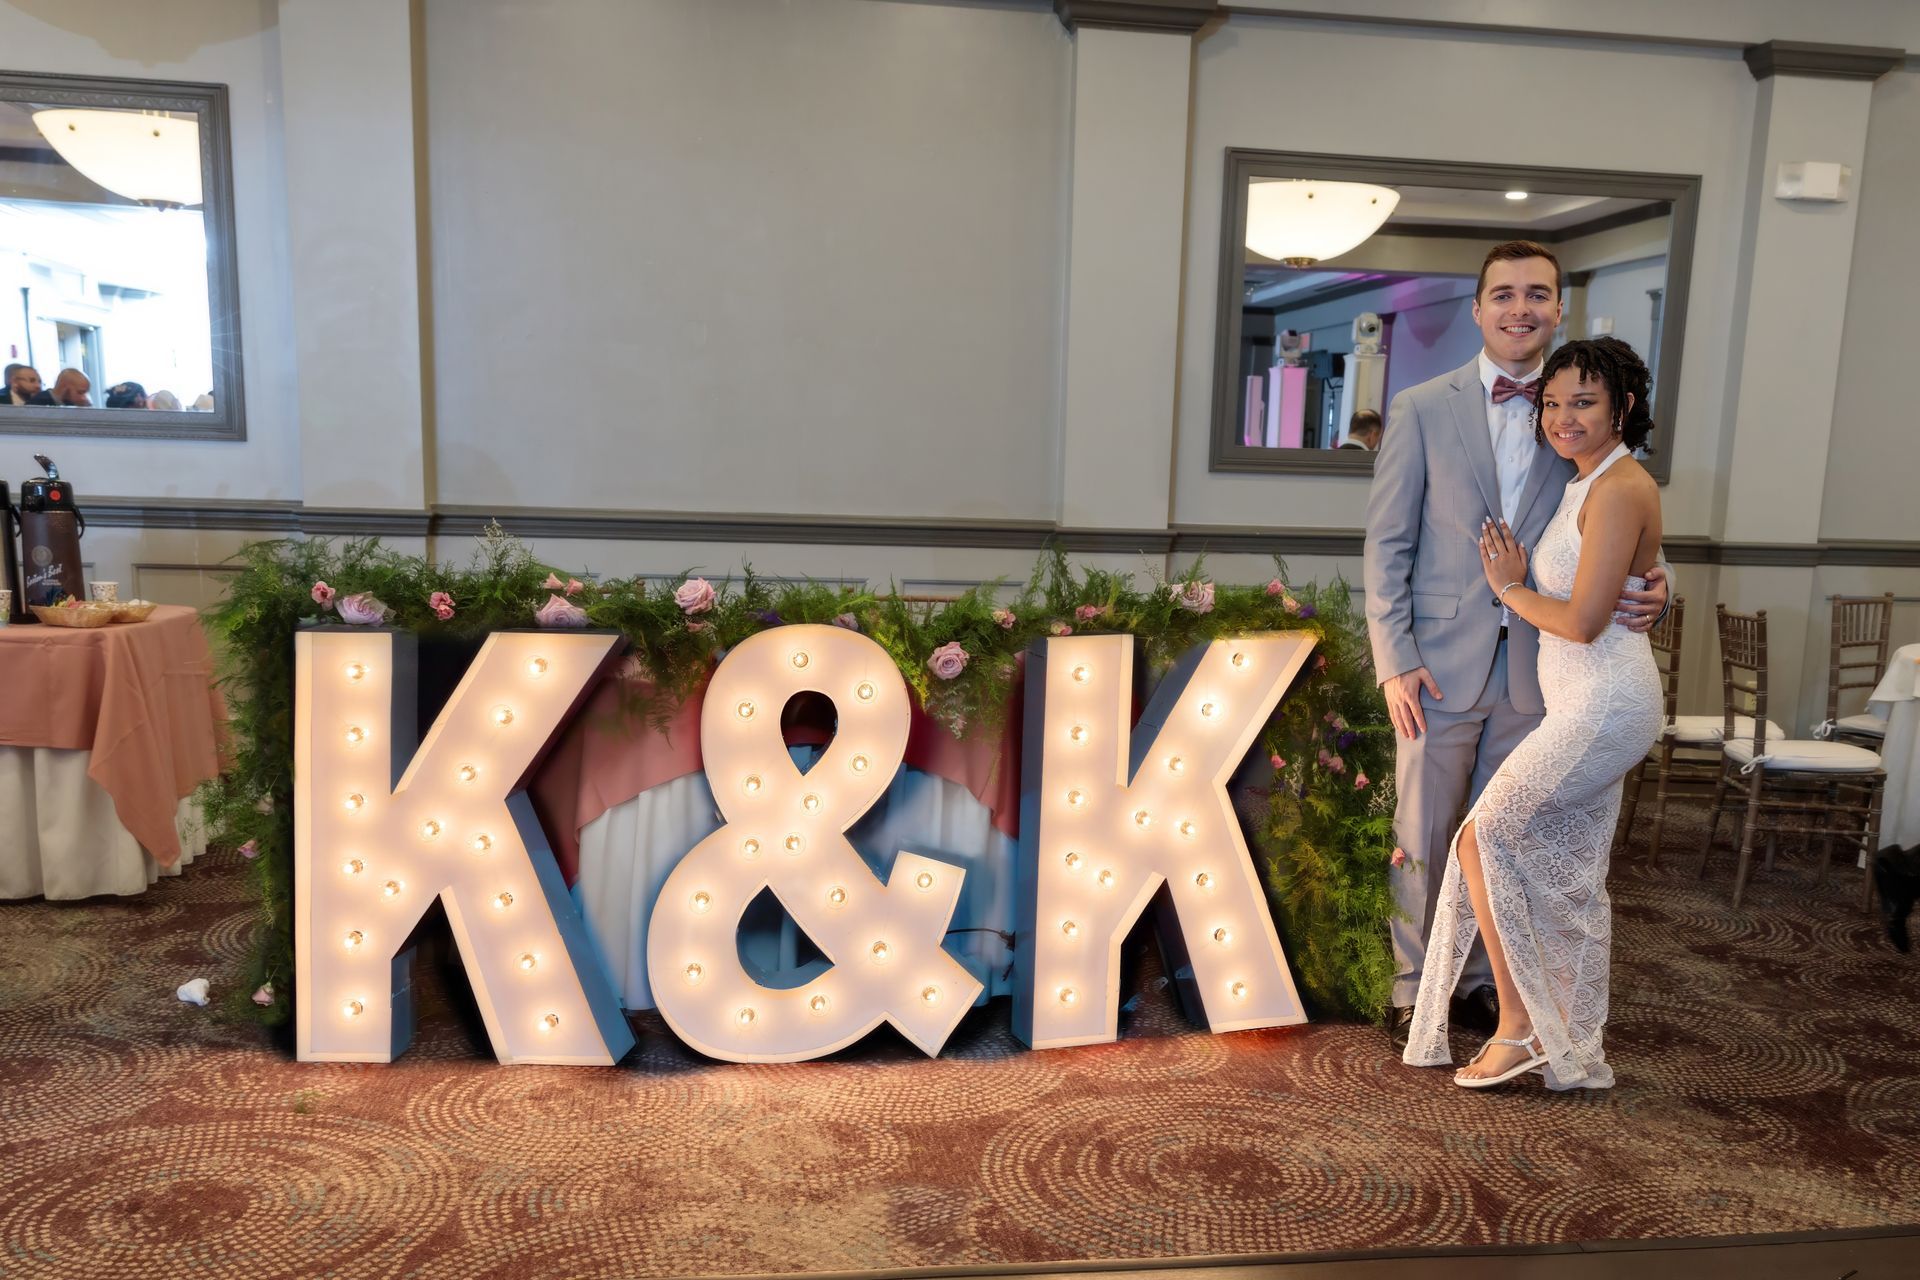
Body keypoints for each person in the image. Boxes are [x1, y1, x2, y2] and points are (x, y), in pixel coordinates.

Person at [1364, 241, 1671, 1057]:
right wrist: (1393, 656)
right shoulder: (1423, 407)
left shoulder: (1575, 410)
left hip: (1545, 673)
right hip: (1435, 661)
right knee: (1426, 833)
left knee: (1506, 837)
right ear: (1477, 309)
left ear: (1558, 308)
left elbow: (1611, 516)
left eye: (1537, 293)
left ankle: (1477, 987)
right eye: (1503, 294)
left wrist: (1657, 580)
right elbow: (1386, 543)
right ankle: (1410, 988)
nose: (1519, 308)